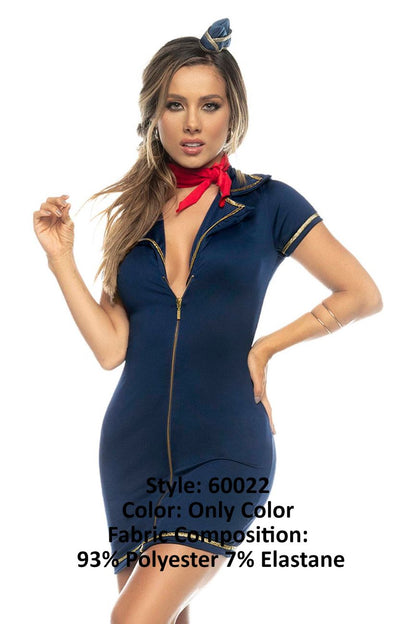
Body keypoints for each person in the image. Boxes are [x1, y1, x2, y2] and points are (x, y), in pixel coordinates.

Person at [33, 17, 383, 624]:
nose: (192, 122)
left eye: (209, 105)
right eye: (176, 105)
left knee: (130, 619)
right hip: (132, 452)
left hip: (226, 448)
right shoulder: (132, 217)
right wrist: (61, 258)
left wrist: (266, 348)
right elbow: (112, 349)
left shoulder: (267, 203)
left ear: (232, 113)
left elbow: (361, 293)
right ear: (155, 115)